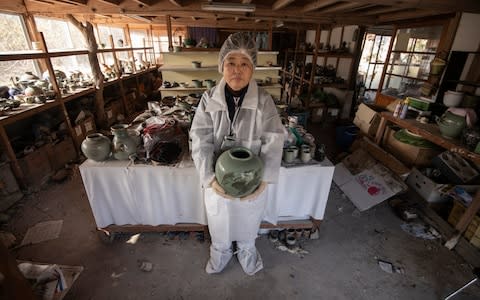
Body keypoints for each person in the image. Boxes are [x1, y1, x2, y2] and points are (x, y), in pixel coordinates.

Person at [190, 32, 284, 275]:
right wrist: (209, 178)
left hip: (252, 178)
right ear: (222, 65)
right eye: (231, 63)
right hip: (218, 178)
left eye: (244, 64)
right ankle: (220, 252)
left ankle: (246, 250)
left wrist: (265, 179)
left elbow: (274, 139)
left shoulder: (264, 101)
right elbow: (200, 139)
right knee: (219, 217)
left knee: (248, 217)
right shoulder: (208, 99)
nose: (237, 70)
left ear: (253, 69)